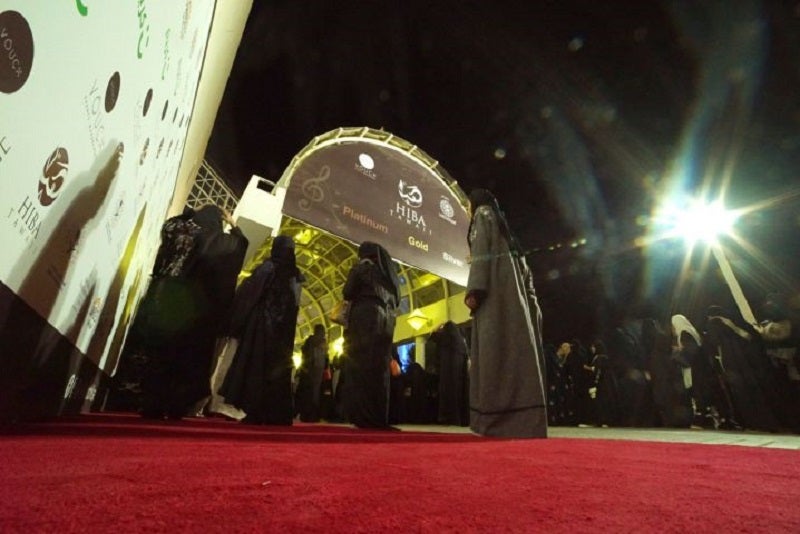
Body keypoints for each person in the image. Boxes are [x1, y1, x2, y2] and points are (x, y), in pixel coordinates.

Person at [464, 188, 547, 438]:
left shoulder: (483, 215)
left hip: (494, 299)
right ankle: (523, 421)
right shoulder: (507, 233)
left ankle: (493, 421)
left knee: (493, 357)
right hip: (515, 305)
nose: (468, 210)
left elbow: (481, 254)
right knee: (515, 360)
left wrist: (474, 290)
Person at [220, 235, 303, 425]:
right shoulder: (296, 276)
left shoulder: (268, 268)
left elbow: (249, 294)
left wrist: (236, 321)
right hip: (282, 336)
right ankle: (274, 413)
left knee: (255, 368)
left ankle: (254, 410)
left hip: (260, 330)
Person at [341, 241, 400, 429]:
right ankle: (379, 416)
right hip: (387, 322)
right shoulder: (388, 275)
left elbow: (347, 292)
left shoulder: (362, 268)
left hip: (365, 318)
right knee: (380, 370)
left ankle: (363, 416)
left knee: (362, 367)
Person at [435, 321, 470, 426]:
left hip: (447, 375)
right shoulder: (461, 345)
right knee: (460, 391)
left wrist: (438, 326)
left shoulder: (445, 342)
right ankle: (462, 419)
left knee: (448, 391)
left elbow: (433, 336)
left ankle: (447, 418)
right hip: (460, 377)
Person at [295, 324, 329, 422]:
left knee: (313, 393)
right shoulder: (317, 343)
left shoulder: (312, 342)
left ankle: (310, 414)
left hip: (315, 372)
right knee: (314, 393)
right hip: (314, 372)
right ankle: (312, 414)